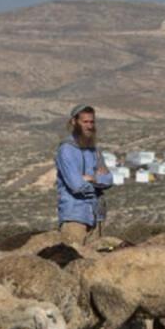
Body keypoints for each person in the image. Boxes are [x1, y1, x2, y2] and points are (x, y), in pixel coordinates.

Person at [55, 104, 113, 245]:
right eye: (85, 122)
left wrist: (91, 178)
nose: (89, 126)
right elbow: (76, 185)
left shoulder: (94, 150)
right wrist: (97, 180)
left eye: (92, 122)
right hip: (75, 217)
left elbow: (109, 179)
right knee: (73, 260)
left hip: (96, 216)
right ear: (74, 122)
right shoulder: (67, 150)